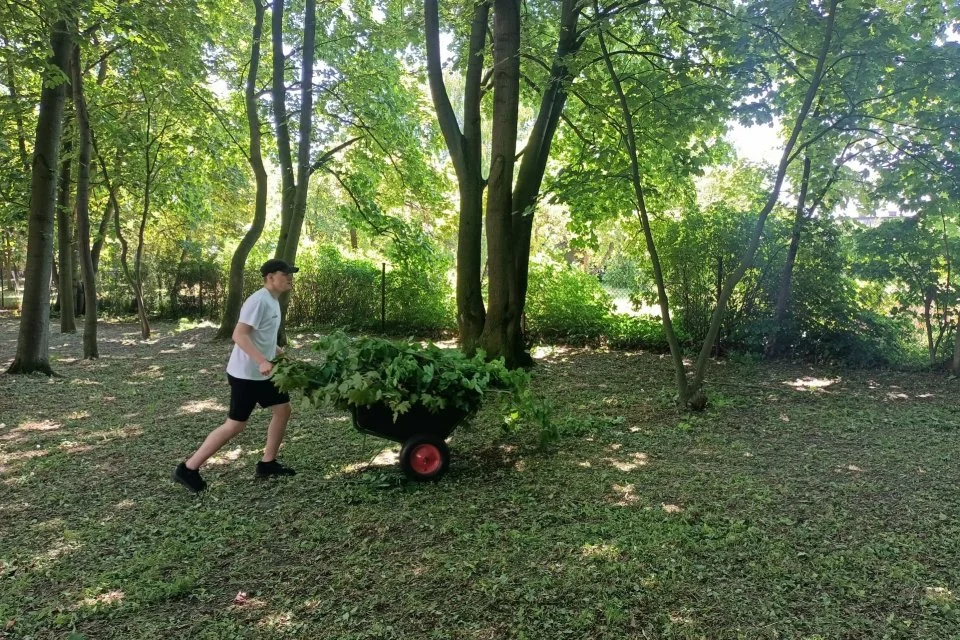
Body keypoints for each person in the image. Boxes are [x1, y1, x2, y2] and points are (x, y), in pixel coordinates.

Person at [172, 259, 299, 493]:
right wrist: (261, 360)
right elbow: (239, 335)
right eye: (285, 273)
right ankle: (188, 468)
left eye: (291, 273)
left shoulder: (272, 301)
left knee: (283, 409)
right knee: (235, 425)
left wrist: (277, 353)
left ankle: (267, 463)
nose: (290, 277)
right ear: (270, 277)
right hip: (247, 375)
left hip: (265, 372)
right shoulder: (258, 301)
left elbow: (261, 336)